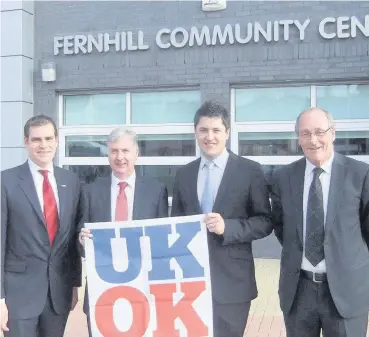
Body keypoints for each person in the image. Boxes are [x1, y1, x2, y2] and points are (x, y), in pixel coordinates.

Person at [171, 100, 273, 337]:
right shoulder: (184, 174)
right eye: (203, 130)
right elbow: (175, 223)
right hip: (189, 283)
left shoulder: (250, 171)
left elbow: (265, 221)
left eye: (216, 130)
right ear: (195, 132)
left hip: (233, 284)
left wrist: (229, 227)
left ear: (227, 132)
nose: (210, 136)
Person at [270, 107, 369, 337]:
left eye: (319, 132)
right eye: (305, 133)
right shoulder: (283, 178)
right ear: (298, 138)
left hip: (346, 293)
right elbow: (281, 227)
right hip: (299, 291)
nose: (313, 140)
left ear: (332, 133)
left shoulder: (360, 174)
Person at [78, 127, 168, 337]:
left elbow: (162, 242)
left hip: (142, 290)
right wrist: (81, 242)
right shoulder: (90, 191)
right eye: (114, 151)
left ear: (137, 153)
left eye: (126, 151)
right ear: (107, 154)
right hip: (101, 292)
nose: (120, 157)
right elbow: (78, 240)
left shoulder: (156, 191)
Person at [0, 115, 82, 337]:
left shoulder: (71, 181)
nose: (43, 145)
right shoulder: (5, 182)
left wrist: (74, 284)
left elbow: (71, 239)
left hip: (58, 294)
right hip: (18, 295)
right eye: (36, 139)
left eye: (48, 138)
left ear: (57, 140)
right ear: (26, 142)